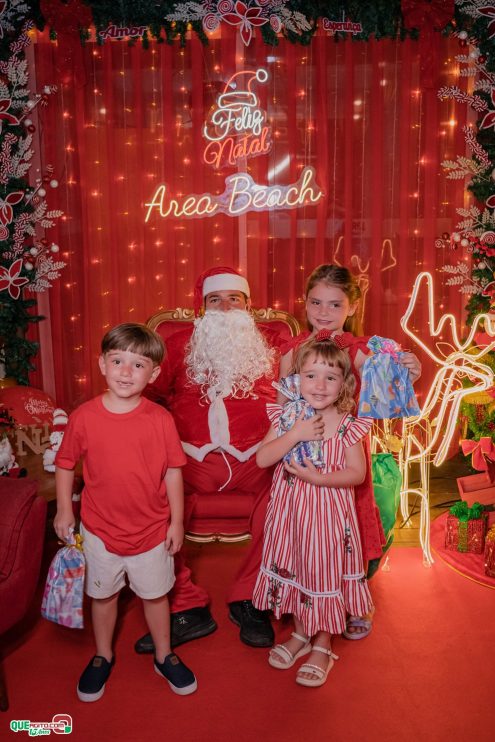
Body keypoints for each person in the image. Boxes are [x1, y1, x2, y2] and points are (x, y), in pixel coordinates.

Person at [135, 267, 287, 655]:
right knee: (149, 496)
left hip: (259, 457)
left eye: (234, 299)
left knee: (288, 494)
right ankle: (186, 607)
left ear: (248, 305)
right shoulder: (179, 342)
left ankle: (251, 599)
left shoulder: (273, 344)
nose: (224, 307)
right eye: (214, 300)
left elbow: (323, 370)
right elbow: (147, 394)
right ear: (201, 308)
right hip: (189, 460)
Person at [54, 323, 197, 701]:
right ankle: (103, 655)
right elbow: (66, 463)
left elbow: (173, 472)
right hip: (100, 530)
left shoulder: (160, 420)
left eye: (138, 365)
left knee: (155, 596)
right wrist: (64, 511)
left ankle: (164, 655)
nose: (126, 372)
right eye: (118, 361)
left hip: (151, 531)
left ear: (153, 374)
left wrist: (177, 522)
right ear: (102, 364)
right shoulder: (84, 416)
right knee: (103, 597)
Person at [279, 264, 421, 639]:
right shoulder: (292, 352)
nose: (324, 311)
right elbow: (281, 407)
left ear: (352, 308)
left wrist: (410, 370)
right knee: (308, 529)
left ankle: (352, 599)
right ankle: (308, 593)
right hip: (303, 448)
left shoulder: (362, 351)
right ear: (304, 302)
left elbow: (390, 394)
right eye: (316, 302)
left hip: (346, 449)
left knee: (350, 526)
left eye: (335, 304)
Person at [253, 331, 373, 687]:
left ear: (344, 383)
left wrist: (319, 479)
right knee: (298, 568)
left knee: (323, 573)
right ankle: (302, 632)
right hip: (290, 516)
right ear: (297, 379)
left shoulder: (349, 425)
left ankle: (324, 642)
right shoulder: (288, 417)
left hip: (328, 519)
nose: (319, 385)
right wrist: (296, 434)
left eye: (330, 377)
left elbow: (357, 473)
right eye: (310, 375)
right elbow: (262, 458)